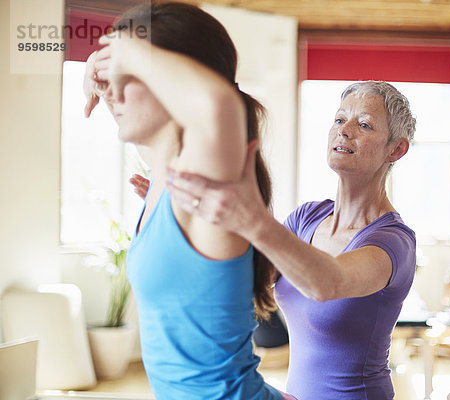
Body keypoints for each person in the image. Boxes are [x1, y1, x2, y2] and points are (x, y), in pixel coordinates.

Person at [83, 2, 294, 399]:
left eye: (128, 75)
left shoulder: (206, 176)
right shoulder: (166, 176)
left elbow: (216, 103)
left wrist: (128, 48)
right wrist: (108, 73)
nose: (113, 93)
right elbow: (144, 111)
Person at [165, 80, 418, 399]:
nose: (344, 130)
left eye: (364, 124)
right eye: (340, 119)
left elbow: (328, 283)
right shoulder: (306, 219)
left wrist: (252, 218)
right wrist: (185, 205)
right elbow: (249, 279)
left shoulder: (394, 242)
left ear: (396, 149)